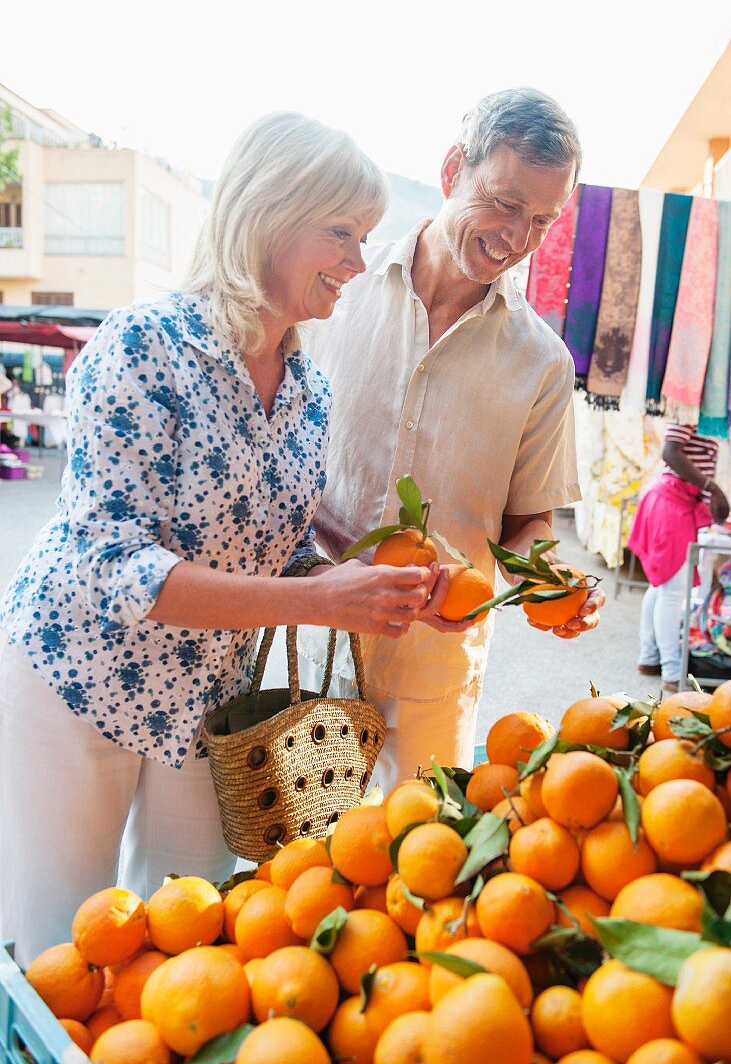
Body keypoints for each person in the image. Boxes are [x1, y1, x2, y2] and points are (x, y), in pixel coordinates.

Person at [0, 112, 436, 965]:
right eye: (340, 232)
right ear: (266, 215)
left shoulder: (309, 389)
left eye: (365, 237)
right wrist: (318, 598)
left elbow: (275, 555)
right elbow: (113, 562)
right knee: (62, 947)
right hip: (78, 679)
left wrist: (385, 589)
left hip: (205, 707)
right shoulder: (143, 343)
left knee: (186, 945)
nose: (356, 262)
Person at [295, 89, 605, 788]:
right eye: (502, 202)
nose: (517, 239)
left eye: (542, 221)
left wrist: (543, 581)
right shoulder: (333, 291)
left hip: (434, 674)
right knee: (289, 874)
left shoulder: (542, 362)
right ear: (451, 170)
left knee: (418, 873)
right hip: (300, 643)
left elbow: (530, 519)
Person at [629, 422, 730, 693]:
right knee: (672, 592)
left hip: (675, 503)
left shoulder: (707, 410)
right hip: (671, 504)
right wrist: (713, 487)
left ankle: (650, 658)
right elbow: (670, 452)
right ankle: (672, 673)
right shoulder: (689, 404)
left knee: (661, 587)